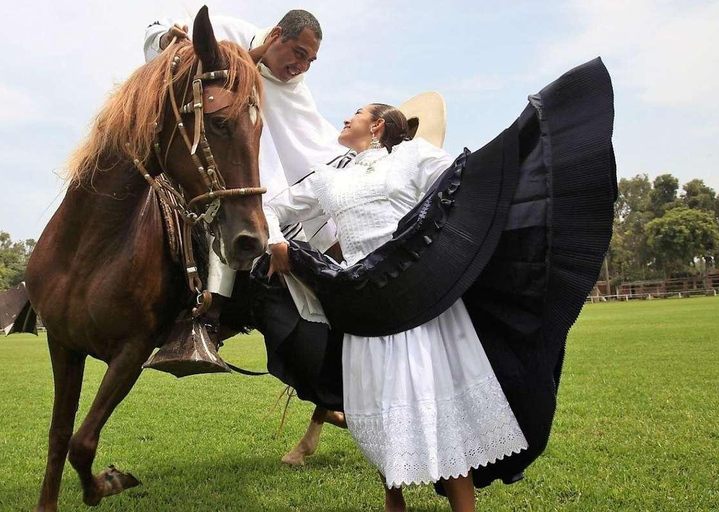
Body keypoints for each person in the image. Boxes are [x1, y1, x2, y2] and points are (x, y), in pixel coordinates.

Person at [263, 103, 531, 511]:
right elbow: (272, 206)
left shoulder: (411, 156)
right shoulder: (328, 176)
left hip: (416, 300)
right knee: (381, 408)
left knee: (439, 403)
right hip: (364, 307)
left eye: (355, 112)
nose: (344, 118)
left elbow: (464, 180)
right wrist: (274, 242)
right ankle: (395, 504)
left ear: (377, 125)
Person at [143, 11, 349, 336]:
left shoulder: (296, 91)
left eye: (310, 61)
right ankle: (202, 312)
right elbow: (162, 34)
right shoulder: (229, 32)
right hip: (213, 150)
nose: (302, 67)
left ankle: (215, 316)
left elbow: (310, 149)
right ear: (277, 34)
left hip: (259, 175)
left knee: (241, 205)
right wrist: (167, 38)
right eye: (299, 53)